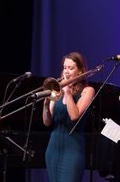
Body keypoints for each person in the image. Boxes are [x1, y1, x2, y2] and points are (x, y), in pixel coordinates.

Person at [42, 52, 95, 182]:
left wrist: (67, 92)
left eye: (71, 68)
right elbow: (47, 122)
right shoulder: (57, 91)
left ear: (80, 70)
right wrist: (46, 103)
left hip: (73, 151)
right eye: (65, 67)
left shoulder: (87, 91)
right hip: (53, 149)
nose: (66, 71)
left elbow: (74, 116)